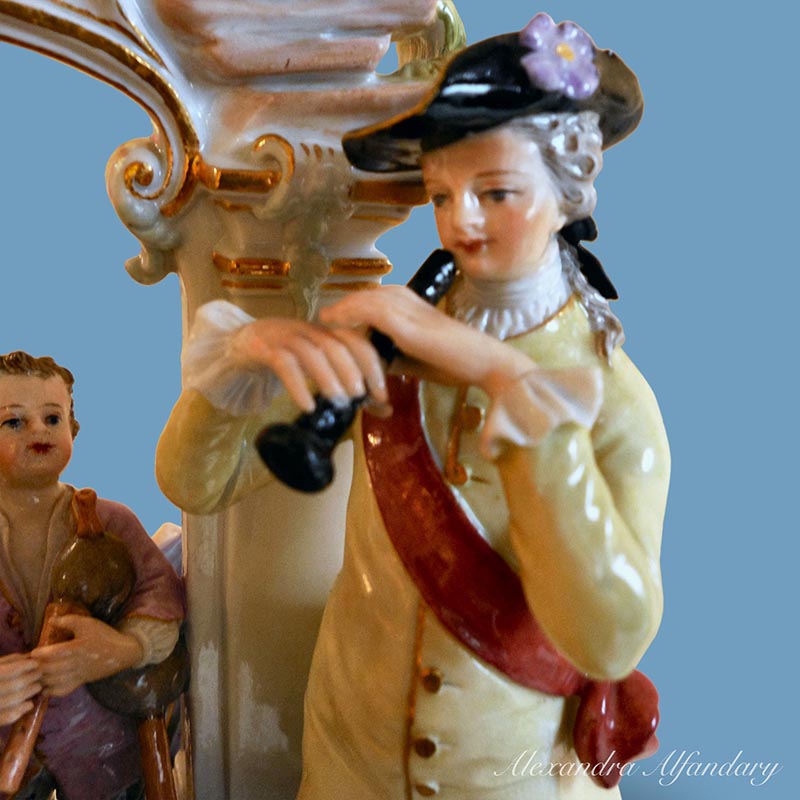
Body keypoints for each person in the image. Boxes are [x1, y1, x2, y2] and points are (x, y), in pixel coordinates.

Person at [156, 13, 669, 798]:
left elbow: (609, 638)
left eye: (495, 193)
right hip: (347, 759)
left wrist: (500, 375)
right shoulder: (393, 340)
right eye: (441, 194)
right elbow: (197, 482)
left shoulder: (612, 401)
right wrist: (244, 363)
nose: (461, 222)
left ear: (568, 191)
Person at [0, 350, 184, 800]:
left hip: (101, 747)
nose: (39, 431)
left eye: (52, 418)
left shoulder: (109, 520)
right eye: (14, 421)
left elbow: (159, 592)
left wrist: (122, 648)